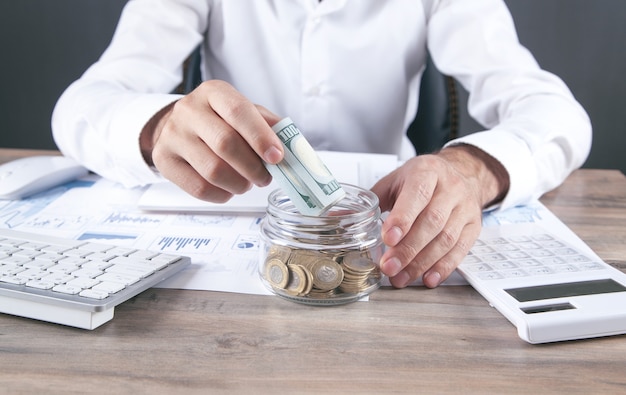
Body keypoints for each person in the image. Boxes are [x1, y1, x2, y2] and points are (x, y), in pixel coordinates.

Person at [51, 0, 591, 289]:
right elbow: (81, 104)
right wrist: (160, 125)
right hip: (246, 230)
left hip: (384, 234)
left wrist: (473, 171)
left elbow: (555, 112)